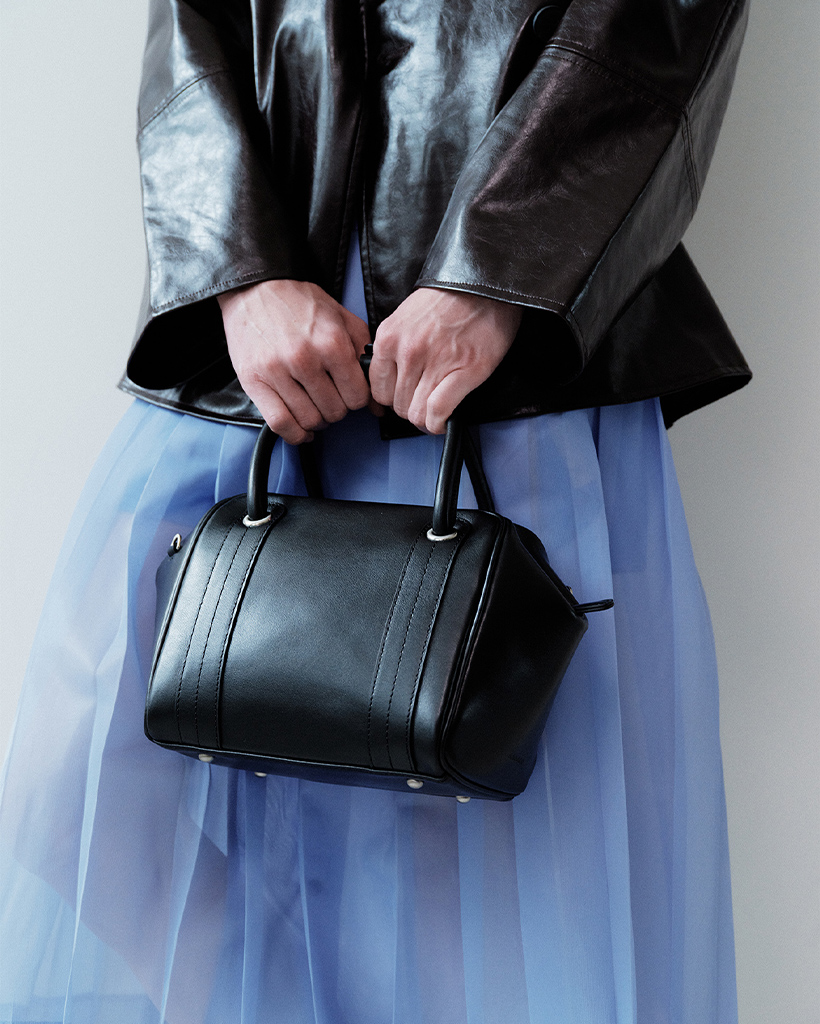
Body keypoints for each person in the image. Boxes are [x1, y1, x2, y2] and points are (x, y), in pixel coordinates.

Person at [0, 1, 750, 1021]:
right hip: (261, 330)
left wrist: (501, 271)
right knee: (75, 773)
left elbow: (658, 19)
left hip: (496, 331)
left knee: (460, 844)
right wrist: (237, 269)